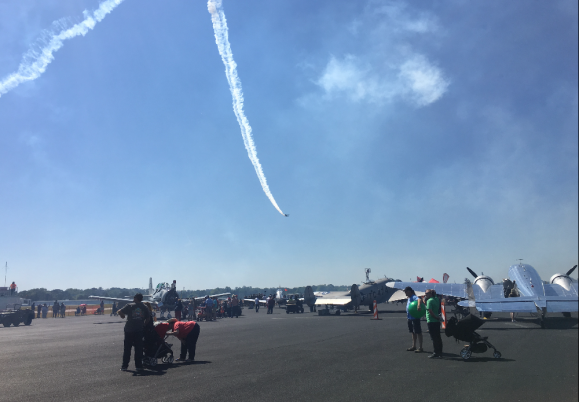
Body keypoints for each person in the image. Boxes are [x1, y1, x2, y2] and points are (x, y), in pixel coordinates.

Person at [118, 293, 151, 372]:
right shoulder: (144, 307)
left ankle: (124, 366)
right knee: (138, 349)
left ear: (136, 298)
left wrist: (122, 316)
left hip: (129, 329)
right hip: (139, 330)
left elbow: (120, 311)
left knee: (127, 349)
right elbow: (148, 318)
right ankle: (138, 366)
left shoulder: (130, 305)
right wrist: (143, 324)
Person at [424, 289, 444, 359]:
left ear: (430, 294)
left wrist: (435, 317)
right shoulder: (436, 299)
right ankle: (440, 352)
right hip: (436, 321)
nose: (425, 295)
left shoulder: (429, 301)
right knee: (438, 337)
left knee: (434, 338)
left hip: (431, 320)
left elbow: (430, 311)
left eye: (426, 293)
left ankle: (436, 352)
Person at [404, 287, 423, 353]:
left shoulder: (414, 297)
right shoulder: (409, 298)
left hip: (415, 318)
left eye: (406, 292)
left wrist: (418, 305)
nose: (405, 293)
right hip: (409, 318)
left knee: (418, 332)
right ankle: (414, 346)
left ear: (409, 291)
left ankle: (420, 347)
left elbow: (419, 299)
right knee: (412, 332)